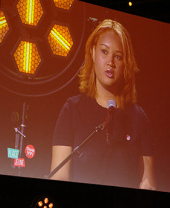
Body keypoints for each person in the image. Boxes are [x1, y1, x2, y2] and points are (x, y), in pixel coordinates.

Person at [51, 19, 156, 190]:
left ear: (126, 63)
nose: (110, 63)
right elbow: (59, 176)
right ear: (93, 52)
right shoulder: (72, 109)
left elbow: (148, 183)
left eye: (118, 56)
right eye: (104, 52)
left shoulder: (139, 118)